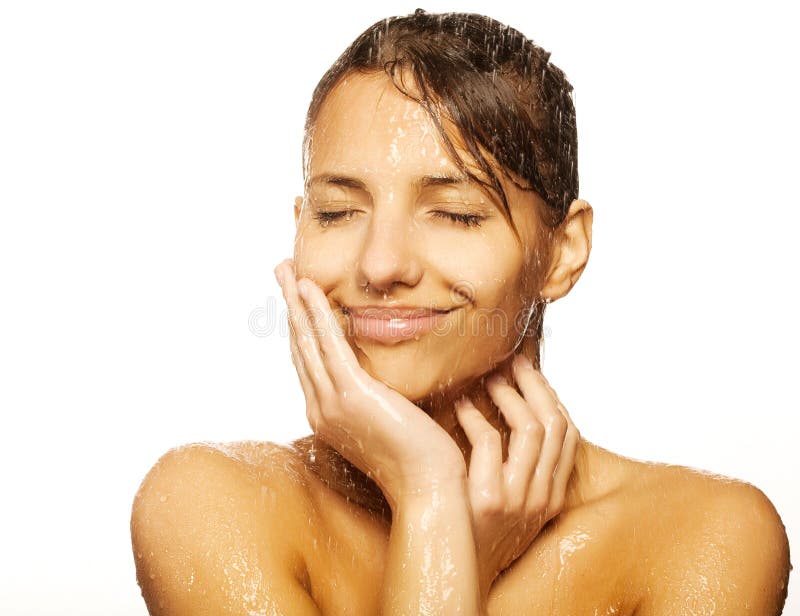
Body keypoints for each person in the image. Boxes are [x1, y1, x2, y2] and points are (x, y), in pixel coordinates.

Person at [130, 9, 791, 615]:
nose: (380, 265)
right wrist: (431, 497)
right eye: (338, 212)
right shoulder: (208, 506)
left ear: (563, 253)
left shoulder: (703, 536)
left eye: (454, 213)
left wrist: (436, 520)